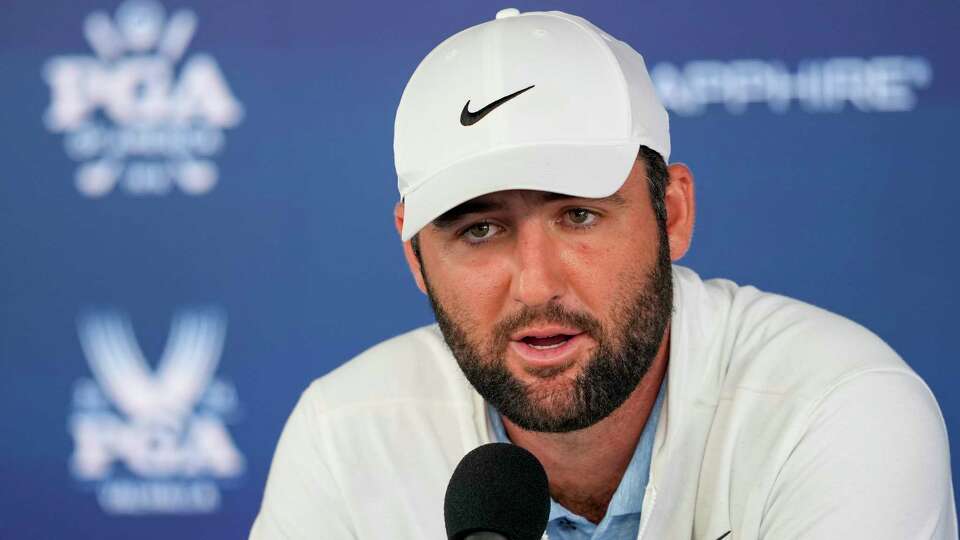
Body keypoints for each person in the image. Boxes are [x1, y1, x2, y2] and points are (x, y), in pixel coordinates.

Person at [250, 8, 956, 540]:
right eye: (480, 229)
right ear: (415, 259)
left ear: (672, 212)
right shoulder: (344, 437)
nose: (534, 284)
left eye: (578, 216)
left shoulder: (836, 410)